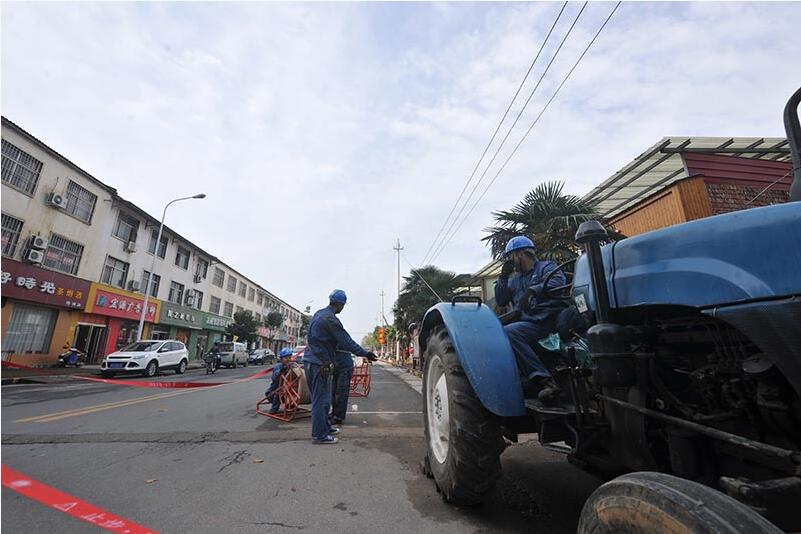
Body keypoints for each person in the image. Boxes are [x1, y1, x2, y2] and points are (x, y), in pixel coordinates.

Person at [495, 236, 567, 403]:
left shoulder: (546, 267)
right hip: (530, 323)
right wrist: (503, 277)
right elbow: (501, 300)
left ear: (520, 254)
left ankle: (544, 380)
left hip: (549, 320)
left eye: (511, 257)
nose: (510, 262)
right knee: (503, 333)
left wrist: (534, 290)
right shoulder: (514, 280)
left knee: (511, 332)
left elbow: (557, 282)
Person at [304, 289, 378, 444]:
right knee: (321, 400)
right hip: (320, 363)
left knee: (323, 399)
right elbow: (346, 342)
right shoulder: (331, 320)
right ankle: (319, 435)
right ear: (340, 304)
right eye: (343, 305)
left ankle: (325, 427)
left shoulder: (318, 314)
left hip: (311, 360)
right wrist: (365, 353)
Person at [265, 348, 295, 413]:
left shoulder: (292, 366)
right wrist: (282, 370)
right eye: (286, 358)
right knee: (279, 392)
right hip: (273, 392)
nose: (288, 359)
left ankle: (292, 406)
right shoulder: (278, 367)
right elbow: (275, 378)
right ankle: (274, 409)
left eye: (289, 357)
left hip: (288, 390)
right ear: (281, 359)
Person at [330, 349, 355, 425]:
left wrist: (365, 354)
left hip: (344, 367)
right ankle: (334, 413)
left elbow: (351, 345)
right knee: (333, 392)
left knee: (341, 393)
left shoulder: (340, 337)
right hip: (337, 367)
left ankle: (338, 417)